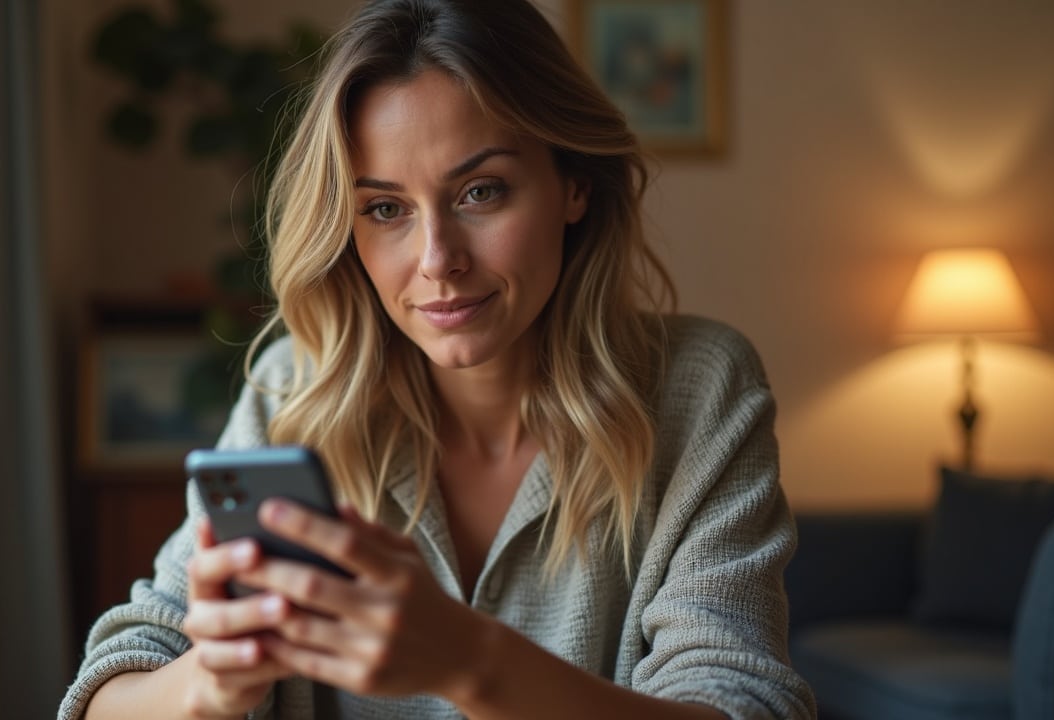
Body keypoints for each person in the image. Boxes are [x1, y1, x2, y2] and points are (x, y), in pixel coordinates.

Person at [59, 0, 816, 718]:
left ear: (575, 184)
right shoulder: (296, 389)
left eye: (481, 192)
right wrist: (207, 685)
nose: (437, 260)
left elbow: (742, 703)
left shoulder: (699, 389)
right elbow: (110, 689)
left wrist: (469, 662)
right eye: (386, 209)